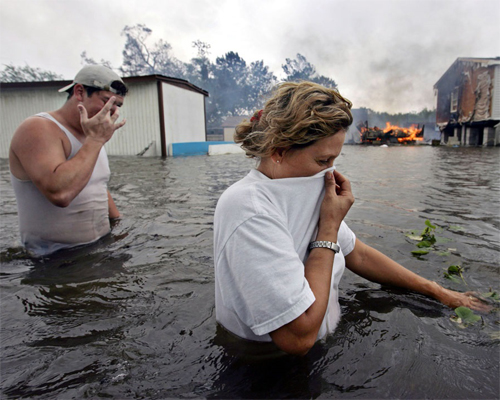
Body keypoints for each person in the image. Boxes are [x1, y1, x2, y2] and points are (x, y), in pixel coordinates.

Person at [213, 81, 489, 356]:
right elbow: (298, 336)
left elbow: (358, 254)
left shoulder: (303, 186)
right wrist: (329, 227)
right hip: (270, 369)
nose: (331, 173)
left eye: (334, 160)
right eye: (323, 161)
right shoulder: (248, 209)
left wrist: (438, 292)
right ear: (279, 150)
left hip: (329, 340)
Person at [9, 65, 128, 256]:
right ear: (79, 92)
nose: (112, 110)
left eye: (118, 105)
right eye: (107, 101)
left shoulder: (91, 135)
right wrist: (96, 140)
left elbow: (96, 185)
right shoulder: (38, 128)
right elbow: (60, 193)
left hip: (100, 248)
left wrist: (120, 225)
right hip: (54, 260)